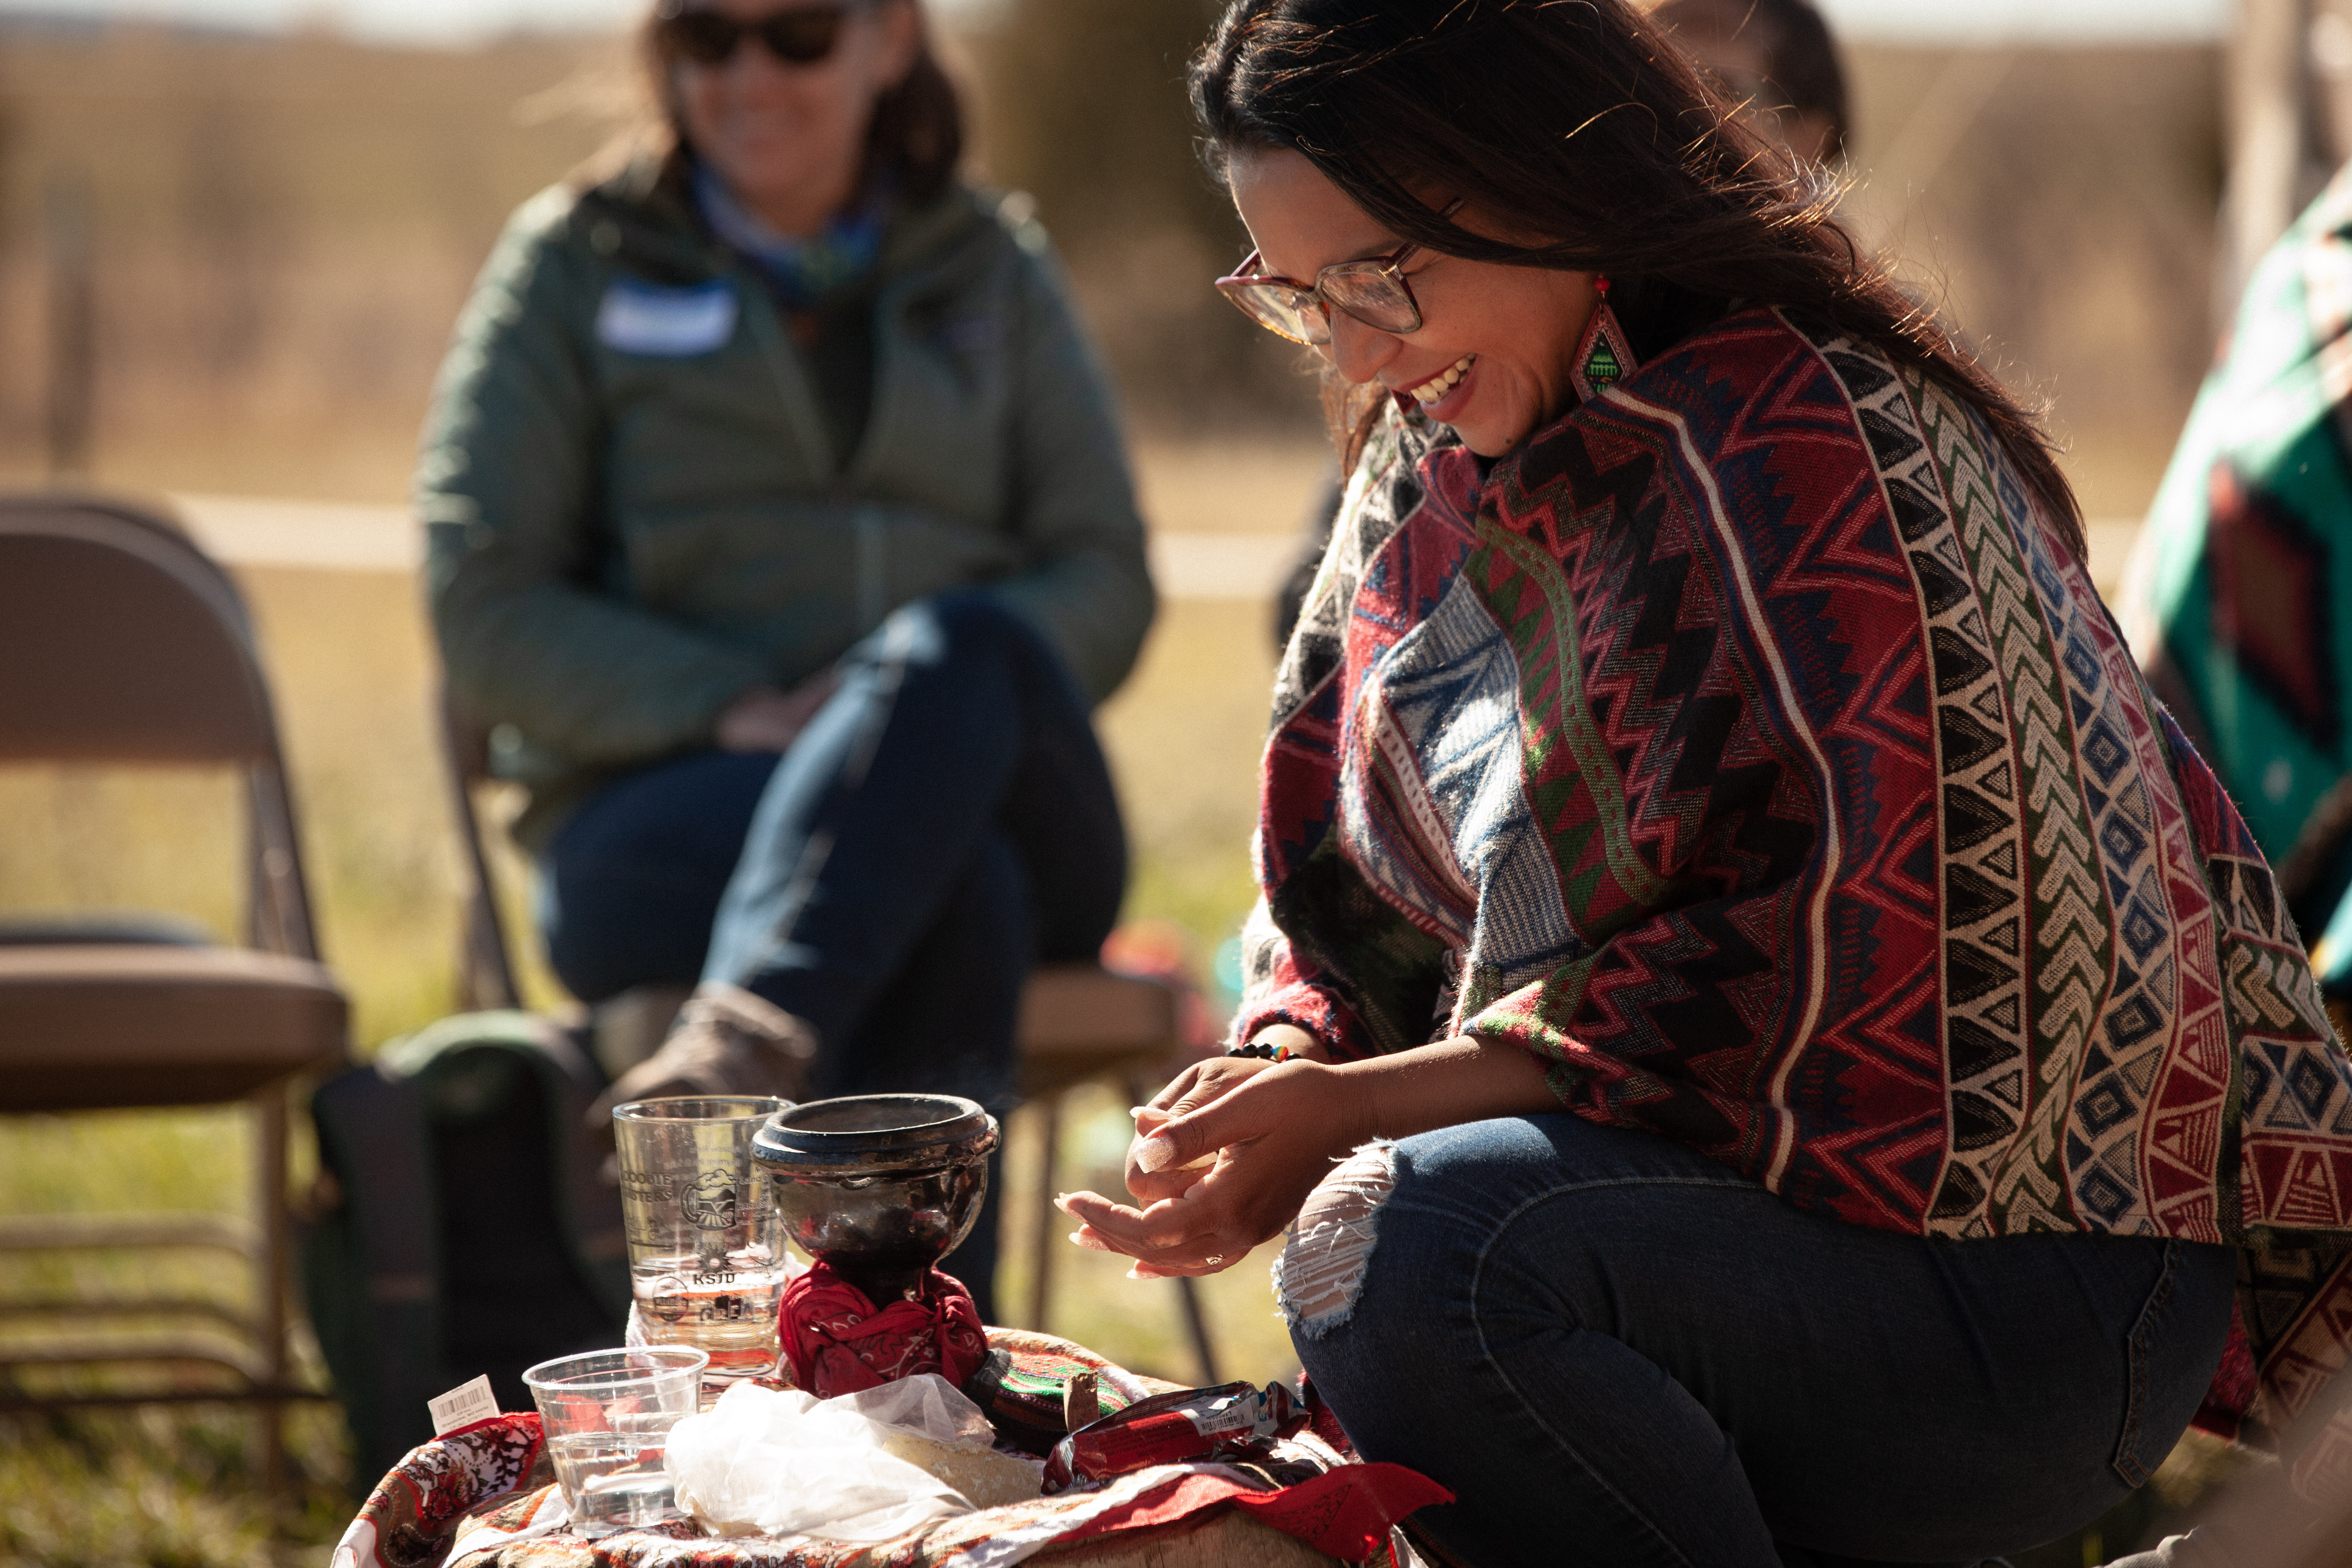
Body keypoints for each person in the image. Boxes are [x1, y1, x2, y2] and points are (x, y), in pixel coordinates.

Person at [1056, 3, 2352, 1563]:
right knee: (1397, 1245)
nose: (1353, 350)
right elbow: (1335, 893)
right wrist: (1275, 1070)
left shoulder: (1818, 439)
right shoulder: (1428, 465)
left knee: (1414, 1254)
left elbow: (1820, 979)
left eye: (1381, 275)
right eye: (1297, 295)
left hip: (2022, 1271)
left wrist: (1356, 1113)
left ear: (1539, 180)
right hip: (1668, 1220)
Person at [420, 0, 1155, 1323]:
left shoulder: (993, 261)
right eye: (709, 33)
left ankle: (751, 1030)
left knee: (960, 648)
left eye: (799, 31)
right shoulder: (575, 262)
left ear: (888, 40)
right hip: (670, 819)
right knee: (949, 879)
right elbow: (485, 598)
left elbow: (1104, 569)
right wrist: (733, 708)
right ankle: (928, 1382)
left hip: (996, 783)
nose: (750, 73)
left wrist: (893, 706)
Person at [1264, 0, 1847, 655]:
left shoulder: (1834, 431)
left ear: (1814, 137)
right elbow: (1306, 626)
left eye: (1716, 87)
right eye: (1646, 70)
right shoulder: (1416, 423)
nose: (1662, 109)